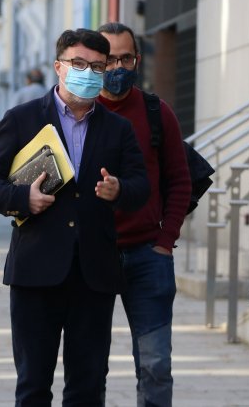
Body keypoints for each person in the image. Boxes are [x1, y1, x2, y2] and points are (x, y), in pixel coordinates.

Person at [0, 28, 150, 405]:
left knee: (87, 386)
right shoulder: (21, 119)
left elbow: (141, 187)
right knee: (34, 385)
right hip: (36, 272)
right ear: (59, 66)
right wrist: (24, 198)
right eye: (79, 64)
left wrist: (119, 190)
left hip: (94, 274)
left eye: (97, 67)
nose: (88, 72)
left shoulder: (118, 128)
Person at [96, 22, 191, 406]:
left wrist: (165, 242)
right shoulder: (78, 112)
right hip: (93, 257)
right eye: (109, 59)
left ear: (137, 58)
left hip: (147, 256)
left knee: (154, 364)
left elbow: (180, 180)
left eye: (126, 57)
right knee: (89, 365)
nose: (118, 67)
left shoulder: (156, 112)